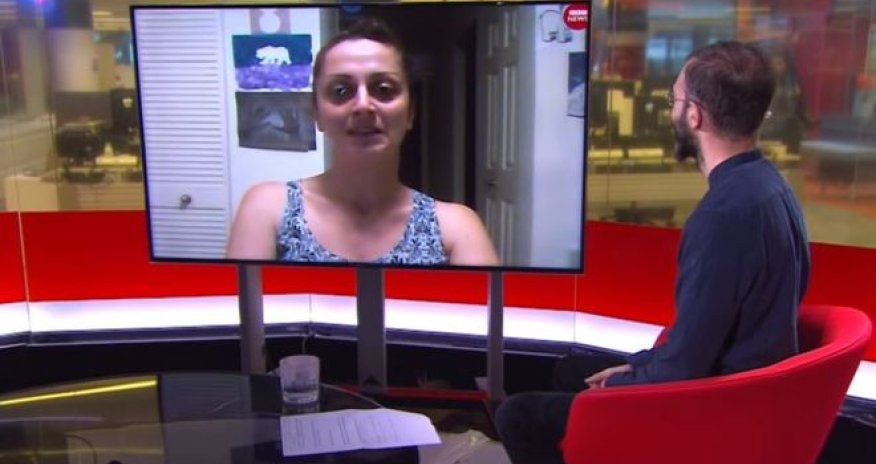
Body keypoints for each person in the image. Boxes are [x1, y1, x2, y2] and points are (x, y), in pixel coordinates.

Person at [494, 41, 811, 464]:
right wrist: (636, 366)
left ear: (694, 115)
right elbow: (701, 338)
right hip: (741, 386)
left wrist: (620, 385)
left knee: (517, 416)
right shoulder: (771, 186)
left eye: (673, 101)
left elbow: (685, 367)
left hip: (713, 408)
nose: (671, 112)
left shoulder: (723, 216)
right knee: (571, 369)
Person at [226, 18, 499, 266]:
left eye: (384, 89)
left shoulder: (457, 228)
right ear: (316, 114)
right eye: (341, 91)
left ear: (410, 113)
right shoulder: (267, 209)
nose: (363, 106)